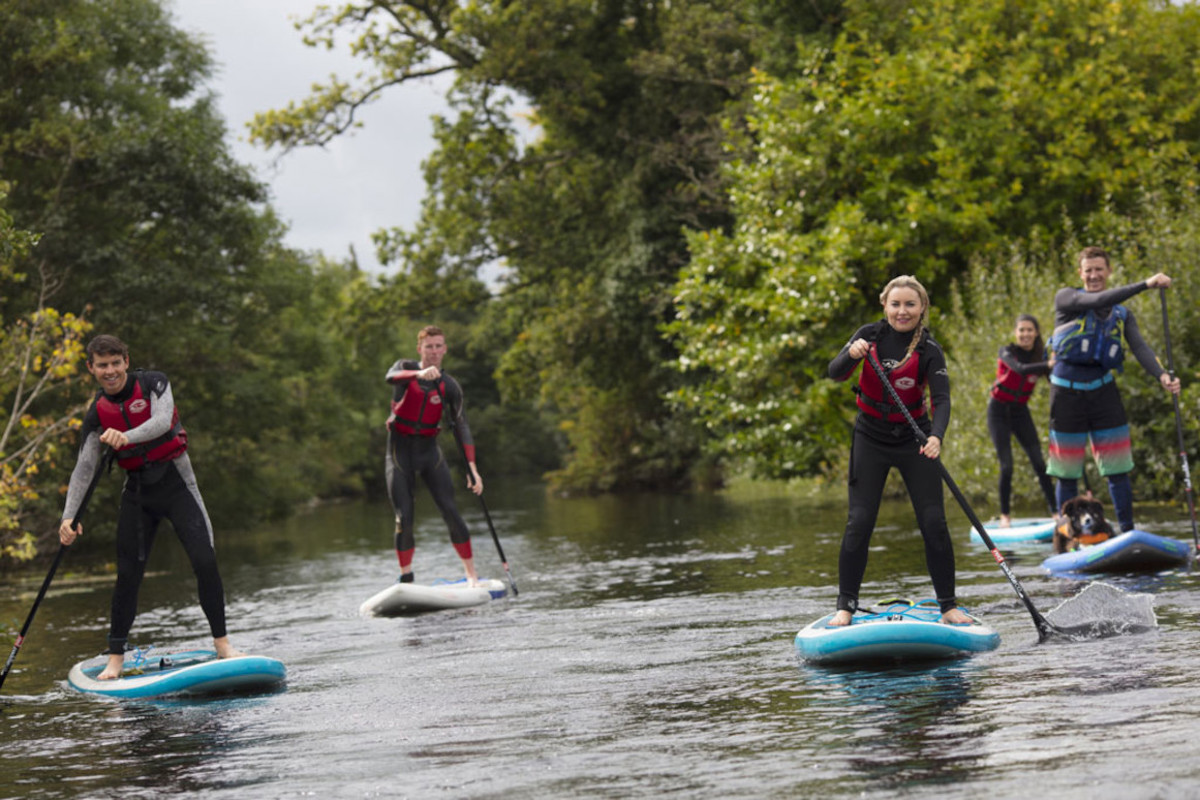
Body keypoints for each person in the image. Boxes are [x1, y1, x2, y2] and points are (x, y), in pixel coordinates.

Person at [59, 335, 240, 680]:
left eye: (115, 363)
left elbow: (160, 422)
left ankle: (223, 645)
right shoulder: (97, 413)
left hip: (176, 484)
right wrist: (69, 515)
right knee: (128, 575)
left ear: (126, 361)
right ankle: (116, 659)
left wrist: (125, 437)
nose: (110, 371)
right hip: (138, 494)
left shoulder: (155, 383)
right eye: (102, 365)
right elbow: (83, 468)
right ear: (91, 368)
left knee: (204, 559)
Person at [827, 275, 972, 626]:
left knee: (934, 522)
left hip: (915, 438)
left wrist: (936, 436)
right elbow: (835, 373)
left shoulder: (929, 350)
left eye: (910, 304)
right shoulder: (869, 335)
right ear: (884, 305)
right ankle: (845, 606)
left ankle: (948, 606)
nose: (902, 311)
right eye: (896, 304)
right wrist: (851, 353)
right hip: (871, 437)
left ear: (922, 308)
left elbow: (941, 398)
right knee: (859, 522)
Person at [1046, 246, 1180, 532]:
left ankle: (1128, 534)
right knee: (1067, 471)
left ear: (1109, 271)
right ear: (1080, 273)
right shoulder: (1067, 298)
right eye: (1088, 270)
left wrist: (1162, 376)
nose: (1094, 275)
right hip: (1066, 395)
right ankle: (1068, 536)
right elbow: (1099, 298)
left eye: (1099, 269)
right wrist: (1146, 284)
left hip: (1104, 393)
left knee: (1118, 469)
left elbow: (1140, 347)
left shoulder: (1122, 314)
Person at [385, 325, 483, 585]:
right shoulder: (404, 369)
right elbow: (390, 377)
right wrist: (418, 374)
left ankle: (471, 575)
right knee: (404, 517)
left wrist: (472, 468)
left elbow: (461, 426)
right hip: (399, 451)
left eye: (439, 346)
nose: (434, 351)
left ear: (445, 349)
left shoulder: (450, 386)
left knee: (451, 511)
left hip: (429, 452)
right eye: (429, 346)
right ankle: (406, 578)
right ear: (420, 349)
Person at [987, 314, 1057, 525]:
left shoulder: (1041, 356)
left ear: (1036, 333)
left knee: (1039, 462)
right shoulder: (1007, 351)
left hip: (1020, 412)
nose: (1025, 334)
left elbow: (1054, 380)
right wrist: (1048, 363)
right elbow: (1019, 369)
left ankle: (1055, 512)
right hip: (998, 412)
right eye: (1022, 330)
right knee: (1007, 466)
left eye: (1030, 330)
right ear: (1016, 333)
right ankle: (1005, 515)